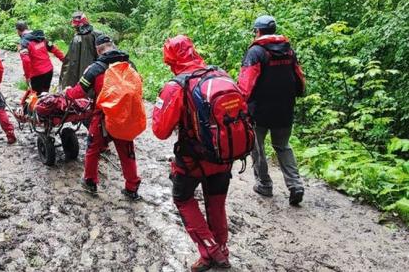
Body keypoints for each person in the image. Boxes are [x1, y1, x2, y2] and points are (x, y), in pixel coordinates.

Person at [152, 35, 232, 271]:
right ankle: (221, 250)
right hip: (223, 155)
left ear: (170, 58)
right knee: (216, 203)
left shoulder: (177, 85)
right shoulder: (220, 75)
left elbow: (160, 130)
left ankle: (211, 251)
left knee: (183, 199)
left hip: (192, 160)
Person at [238, 15, 306, 205]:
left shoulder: (256, 52)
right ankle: (295, 185)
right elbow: (299, 78)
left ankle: (265, 184)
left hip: (259, 110)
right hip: (285, 108)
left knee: (257, 148)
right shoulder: (289, 51)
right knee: (283, 146)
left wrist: (240, 105)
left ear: (257, 31)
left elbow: (246, 84)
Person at [64, 34, 141, 200]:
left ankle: (90, 182)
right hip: (123, 116)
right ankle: (132, 187)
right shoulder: (130, 65)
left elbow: (79, 92)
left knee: (92, 148)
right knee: (127, 152)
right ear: (112, 45)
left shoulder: (95, 69)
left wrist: (67, 92)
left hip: (103, 117)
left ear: (98, 50)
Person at [16, 21, 65, 95]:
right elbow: (54, 49)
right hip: (49, 71)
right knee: (45, 95)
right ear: (27, 27)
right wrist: (64, 60)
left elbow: (26, 61)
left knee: (37, 97)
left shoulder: (23, 43)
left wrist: (27, 77)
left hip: (37, 75)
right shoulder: (40, 37)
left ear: (18, 31)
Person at [59, 12, 100, 91]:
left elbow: (69, 62)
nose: (74, 28)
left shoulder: (80, 38)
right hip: (92, 72)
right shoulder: (95, 34)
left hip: (88, 73)